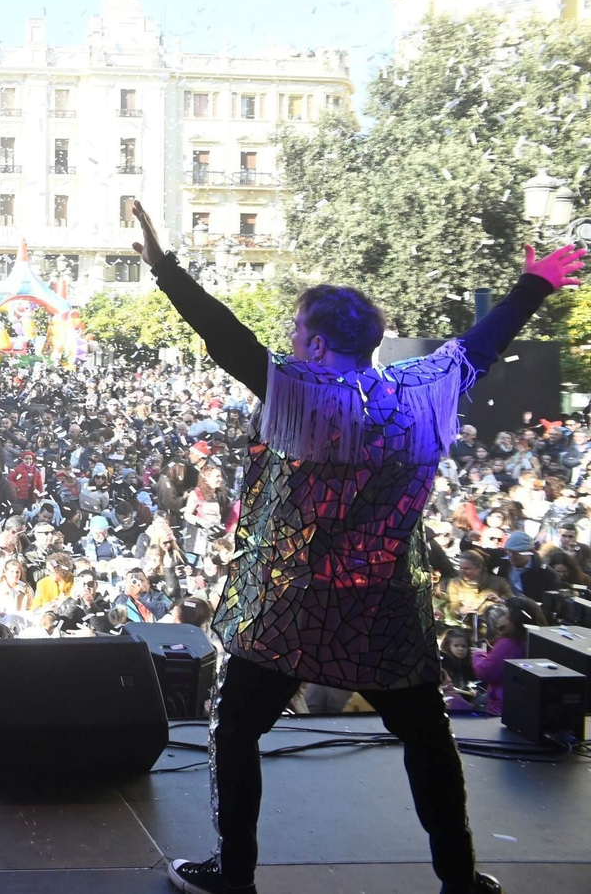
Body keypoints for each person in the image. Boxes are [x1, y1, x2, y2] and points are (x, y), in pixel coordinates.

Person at [131, 205, 582, 894]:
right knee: (427, 737)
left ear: (314, 345)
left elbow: (225, 337)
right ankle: (460, 881)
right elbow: (482, 344)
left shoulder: (302, 393)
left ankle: (237, 874)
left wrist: (164, 268)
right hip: (384, 606)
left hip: (295, 610)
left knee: (234, 731)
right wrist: (534, 284)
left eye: (294, 332)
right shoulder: (422, 391)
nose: (286, 342)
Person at [472, 596, 539, 717]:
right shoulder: (537, 639)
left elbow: (486, 673)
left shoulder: (509, 643)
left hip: (501, 708)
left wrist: (478, 654)